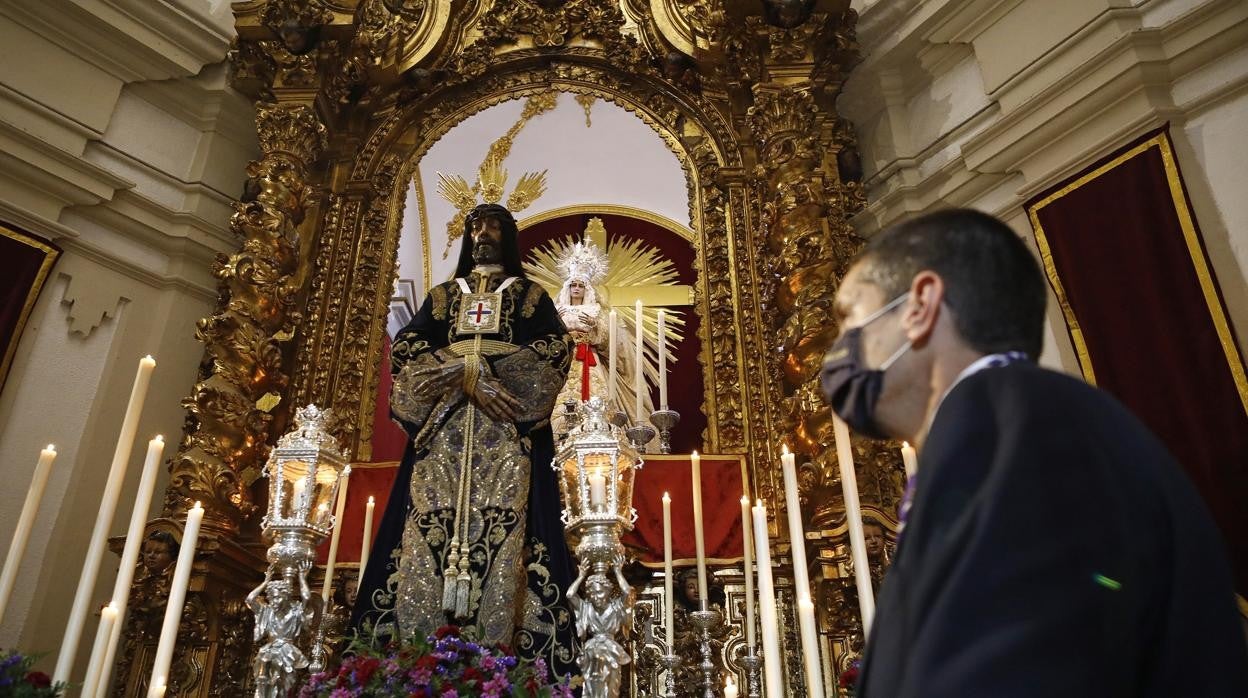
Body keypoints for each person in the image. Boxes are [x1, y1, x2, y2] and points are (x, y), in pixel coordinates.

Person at [820, 208, 1248, 696]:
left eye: (850, 318)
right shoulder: (1014, 424)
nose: (838, 349)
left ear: (920, 306)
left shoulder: (1019, 431)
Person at [350, 203, 579, 679]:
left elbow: (555, 349)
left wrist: (481, 370)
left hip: (505, 436)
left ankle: (502, 668)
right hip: (444, 438)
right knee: (426, 536)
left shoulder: (529, 295)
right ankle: (413, 664)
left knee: (504, 538)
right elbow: (408, 348)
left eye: (493, 225)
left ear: (509, 236)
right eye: (476, 225)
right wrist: (462, 373)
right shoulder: (442, 297)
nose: (482, 233)